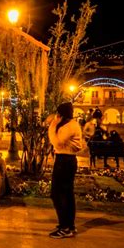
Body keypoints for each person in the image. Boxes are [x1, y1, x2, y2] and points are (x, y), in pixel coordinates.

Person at [48, 102, 82, 239]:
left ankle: (65, 227)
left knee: (57, 194)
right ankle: (69, 225)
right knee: (67, 194)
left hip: (65, 161)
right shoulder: (71, 125)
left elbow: (57, 142)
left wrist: (52, 125)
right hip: (66, 160)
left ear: (61, 114)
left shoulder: (69, 126)